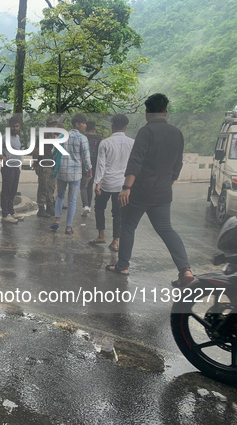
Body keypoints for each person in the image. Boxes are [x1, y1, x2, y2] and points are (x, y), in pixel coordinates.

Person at [106, 93, 194, 287]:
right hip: (162, 192)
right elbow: (177, 165)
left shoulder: (147, 132)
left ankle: (123, 266)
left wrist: (127, 187)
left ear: (146, 111)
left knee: (128, 226)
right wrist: (167, 184)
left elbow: (136, 160)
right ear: (166, 111)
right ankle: (185, 269)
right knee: (166, 229)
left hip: (140, 191)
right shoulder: (177, 133)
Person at [88, 114, 134, 251]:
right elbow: (134, 165)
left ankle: (101, 235)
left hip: (106, 183)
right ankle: (115, 241)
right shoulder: (132, 143)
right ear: (126, 127)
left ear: (112, 126)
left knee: (99, 208)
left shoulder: (105, 143)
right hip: (123, 185)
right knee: (118, 213)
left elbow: (101, 164)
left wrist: (98, 183)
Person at [50, 114, 92, 235]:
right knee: (72, 200)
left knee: (60, 196)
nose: (85, 125)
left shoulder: (62, 136)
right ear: (77, 124)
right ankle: (68, 228)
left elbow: (54, 151)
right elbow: (86, 156)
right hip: (75, 174)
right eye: (83, 123)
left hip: (62, 172)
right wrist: (89, 169)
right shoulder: (82, 138)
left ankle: (56, 220)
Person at [0, 116, 24, 223]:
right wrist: (3, 157)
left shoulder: (17, 137)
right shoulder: (4, 137)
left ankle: (12, 212)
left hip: (16, 167)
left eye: (17, 126)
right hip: (8, 168)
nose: (15, 128)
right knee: (6, 191)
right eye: (13, 126)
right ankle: (5, 214)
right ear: (9, 126)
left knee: (13, 191)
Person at [33, 117, 57, 218]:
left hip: (51, 165)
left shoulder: (53, 135)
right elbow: (37, 149)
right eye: (51, 125)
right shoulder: (43, 135)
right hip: (43, 164)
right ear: (47, 125)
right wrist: (35, 162)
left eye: (55, 125)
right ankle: (41, 208)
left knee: (51, 186)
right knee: (43, 186)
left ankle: (50, 206)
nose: (53, 126)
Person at [81, 121, 103, 217]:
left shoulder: (83, 138)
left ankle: (85, 205)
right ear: (94, 129)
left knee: (83, 186)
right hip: (94, 165)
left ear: (86, 128)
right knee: (90, 186)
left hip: (83, 164)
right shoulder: (99, 139)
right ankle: (88, 206)